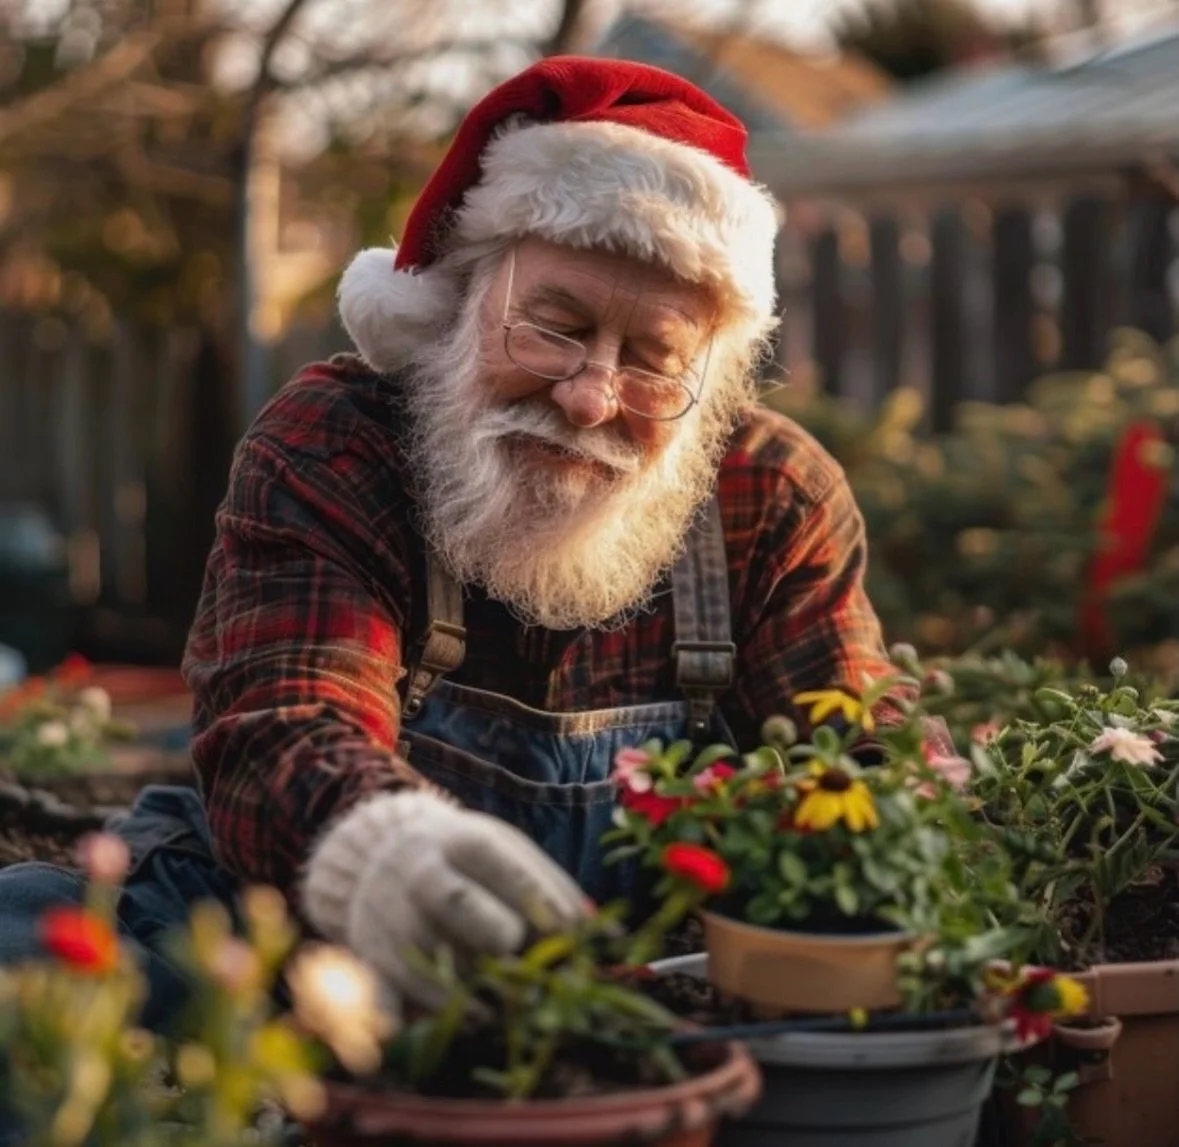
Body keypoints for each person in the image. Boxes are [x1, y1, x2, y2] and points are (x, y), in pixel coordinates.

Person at [0, 56, 932, 1026]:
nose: (589, 396)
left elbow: (861, 760)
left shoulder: (769, 493)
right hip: (308, 968)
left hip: (632, 1007)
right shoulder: (338, 443)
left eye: (655, 362)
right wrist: (380, 846)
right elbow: (283, 718)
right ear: (459, 301)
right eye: (554, 326)